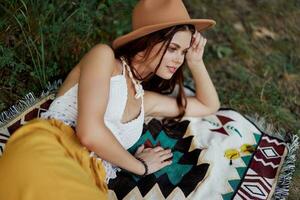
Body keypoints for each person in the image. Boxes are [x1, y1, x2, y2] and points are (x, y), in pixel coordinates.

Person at [0, 0, 220, 199]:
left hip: (90, 178)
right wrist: (140, 165)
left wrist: (196, 61)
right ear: (146, 41)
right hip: (51, 151)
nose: (178, 59)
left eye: (183, 52)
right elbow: (89, 133)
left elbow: (208, 105)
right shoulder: (104, 58)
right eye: (173, 48)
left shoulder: (145, 101)